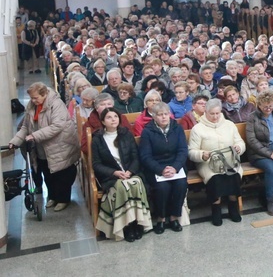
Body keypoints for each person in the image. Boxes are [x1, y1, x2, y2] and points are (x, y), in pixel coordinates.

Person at [8, 83, 79, 212]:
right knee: (47, 171)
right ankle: (52, 196)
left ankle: (63, 199)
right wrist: (15, 141)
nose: (33, 101)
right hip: (42, 145)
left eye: (36, 98)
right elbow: (25, 126)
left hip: (59, 145)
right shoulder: (32, 105)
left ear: (44, 94)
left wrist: (34, 135)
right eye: (31, 98)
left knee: (61, 173)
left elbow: (57, 126)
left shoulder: (56, 104)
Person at [91, 108, 152, 241]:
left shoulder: (126, 134)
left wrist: (130, 171)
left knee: (136, 183)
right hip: (111, 176)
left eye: (115, 116)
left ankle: (138, 223)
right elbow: (96, 164)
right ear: (102, 121)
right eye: (109, 117)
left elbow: (136, 157)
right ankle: (127, 226)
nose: (113, 119)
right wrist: (114, 172)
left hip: (130, 172)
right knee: (124, 187)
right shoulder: (97, 139)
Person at [188, 98, 245, 226]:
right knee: (216, 178)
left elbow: (240, 142)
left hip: (229, 160)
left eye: (217, 113)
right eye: (212, 114)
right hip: (208, 163)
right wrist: (202, 155)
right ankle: (216, 209)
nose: (215, 117)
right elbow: (191, 151)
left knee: (233, 175)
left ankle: (233, 206)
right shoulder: (198, 128)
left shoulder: (229, 125)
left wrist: (238, 148)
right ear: (206, 113)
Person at [139, 102, 189, 234]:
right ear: (154, 117)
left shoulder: (177, 128)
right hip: (156, 167)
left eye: (166, 114)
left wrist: (175, 167)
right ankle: (160, 219)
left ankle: (174, 217)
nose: (164, 117)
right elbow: (145, 156)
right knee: (162, 188)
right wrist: (161, 170)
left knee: (180, 184)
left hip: (175, 166)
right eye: (160, 115)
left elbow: (183, 150)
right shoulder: (147, 131)